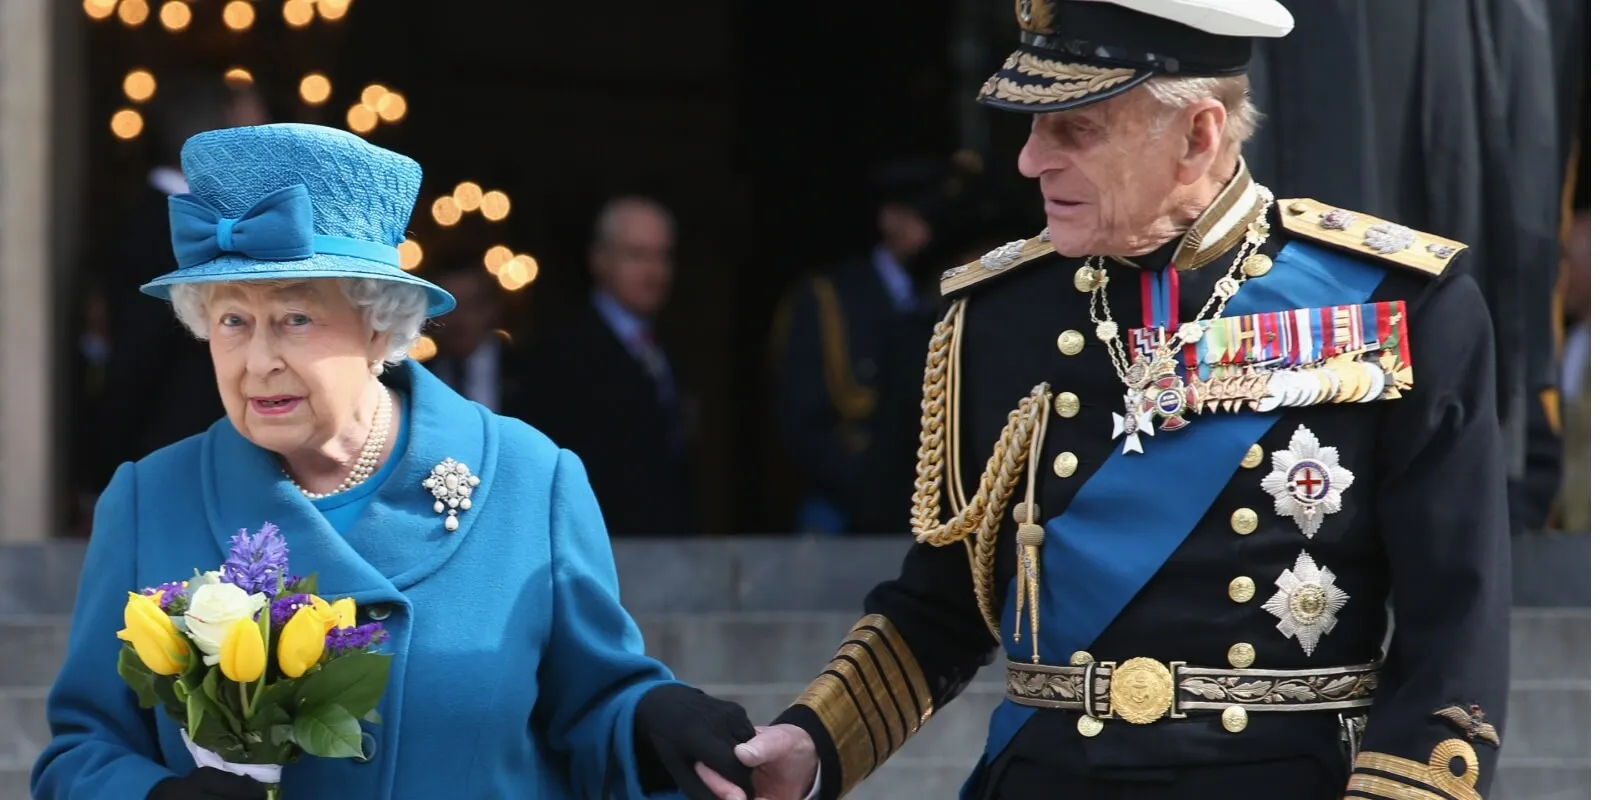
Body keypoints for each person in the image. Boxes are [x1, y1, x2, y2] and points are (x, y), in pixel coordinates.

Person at [710, 2, 1512, 799]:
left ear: (1197, 136)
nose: (1029, 162)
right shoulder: (996, 317)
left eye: (1074, 130)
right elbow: (943, 606)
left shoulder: (1400, 303)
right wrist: (813, 743)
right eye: (1031, 127)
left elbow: (1454, 634)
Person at [31, 124, 757, 800]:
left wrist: (651, 716)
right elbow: (82, 749)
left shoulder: (530, 480)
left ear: (380, 325)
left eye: (294, 319)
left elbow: (595, 706)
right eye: (232, 321)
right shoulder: (149, 499)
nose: (257, 362)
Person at [769, 157, 963, 535]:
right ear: (891, 218)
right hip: (846, 507)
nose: (936, 231)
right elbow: (800, 423)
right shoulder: (830, 299)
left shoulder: (951, 297)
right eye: (924, 217)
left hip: (937, 512)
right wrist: (876, 492)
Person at [522, 195, 695, 536]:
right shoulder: (562, 353)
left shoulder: (670, 347)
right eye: (637, 255)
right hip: (597, 547)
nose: (654, 271)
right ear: (599, 259)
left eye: (663, 256)